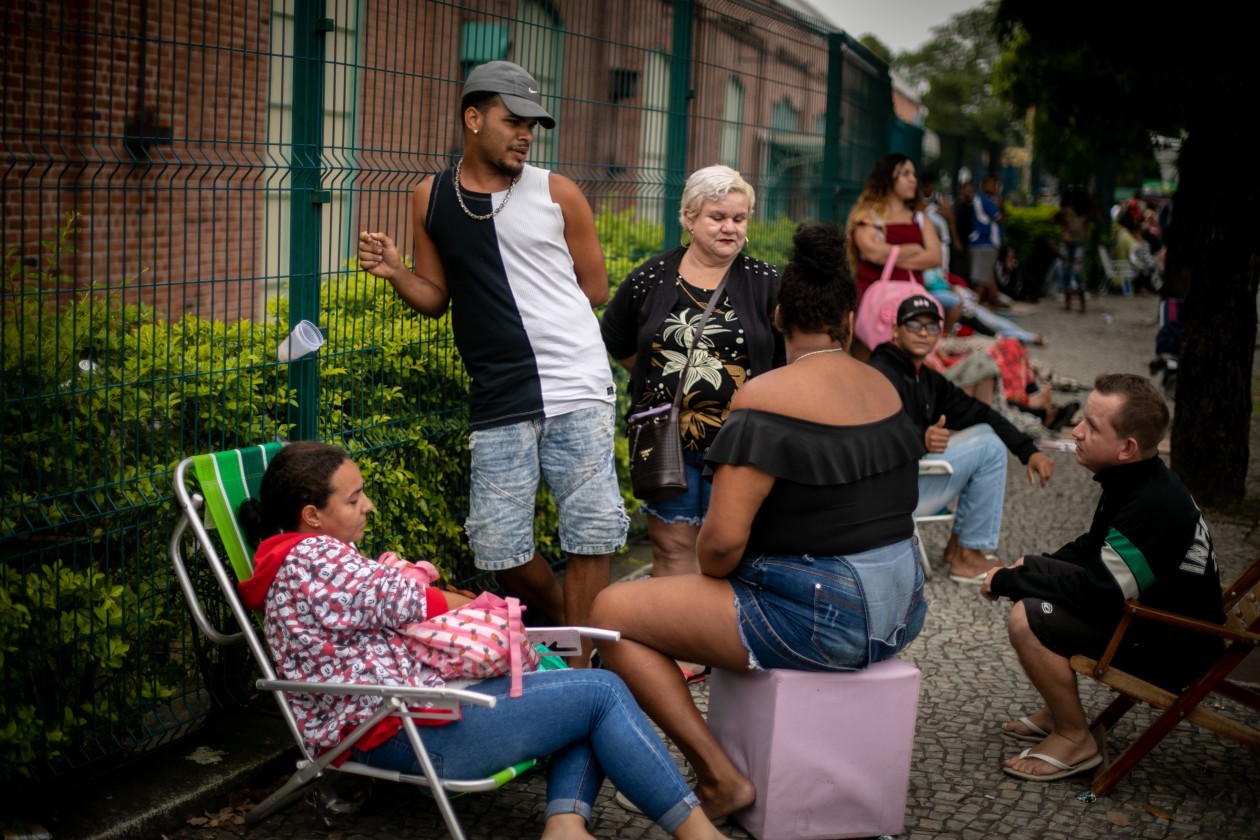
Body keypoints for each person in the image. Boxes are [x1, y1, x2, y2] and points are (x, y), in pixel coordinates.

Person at [591, 223, 927, 821]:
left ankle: (719, 779)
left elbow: (717, 553)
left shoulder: (765, 398)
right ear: (849, 322)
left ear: (776, 318)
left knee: (611, 613)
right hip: (903, 607)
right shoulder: (888, 385)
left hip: (829, 617)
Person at [235, 442, 725, 840]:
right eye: (353, 498)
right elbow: (420, 601)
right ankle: (700, 835)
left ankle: (565, 826)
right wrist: (465, 602)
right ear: (311, 515)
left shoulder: (299, 560)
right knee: (602, 692)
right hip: (408, 730)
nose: (368, 505)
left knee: (584, 695)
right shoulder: (315, 557)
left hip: (414, 713)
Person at [356, 61, 626, 662]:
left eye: (531, 124)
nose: (525, 134)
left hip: (576, 381)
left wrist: (539, 319)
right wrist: (397, 272)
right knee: (497, 547)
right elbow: (435, 297)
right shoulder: (430, 195)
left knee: (591, 529)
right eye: (512, 121)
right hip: (499, 390)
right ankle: (572, 629)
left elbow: (597, 288)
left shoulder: (558, 193)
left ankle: (581, 669)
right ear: (472, 118)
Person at [982, 374, 1224, 782]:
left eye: (1092, 427)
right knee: (1030, 569)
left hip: (1172, 646)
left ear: (1126, 448)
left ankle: (1075, 737)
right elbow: (1093, 548)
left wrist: (1012, 584)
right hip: (1147, 616)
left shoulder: (1151, 504)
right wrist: (1024, 570)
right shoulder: (1137, 478)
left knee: (1026, 618)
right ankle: (1062, 706)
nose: (1076, 431)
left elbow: (1099, 594)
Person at [600, 165, 782, 582]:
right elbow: (617, 337)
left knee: (731, 548)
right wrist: (661, 377)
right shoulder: (651, 277)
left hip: (741, 444)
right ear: (689, 217)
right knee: (671, 547)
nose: (729, 228)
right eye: (717, 217)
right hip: (666, 439)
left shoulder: (766, 282)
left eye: (739, 218)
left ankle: (713, 641)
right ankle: (675, 642)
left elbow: (785, 360)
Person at [866, 295, 1056, 583]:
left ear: (939, 334)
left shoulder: (926, 378)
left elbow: (980, 412)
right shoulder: (882, 370)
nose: (922, 332)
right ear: (895, 330)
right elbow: (873, 434)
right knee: (989, 448)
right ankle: (967, 557)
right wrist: (920, 439)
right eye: (914, 324)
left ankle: (960, 550)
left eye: (931, 327)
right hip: (889, 493)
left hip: (912, 479)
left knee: (984, 432)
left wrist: (1028, 451)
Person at [967, 174, 1006, 308]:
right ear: (983, 185)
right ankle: (973, 308)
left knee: (986, 274)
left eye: (995, 184)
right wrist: (1000, 206)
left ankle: (993, 298)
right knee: (980, 279)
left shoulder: (985, 199)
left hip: (986, 243)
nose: (994, 187)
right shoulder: (984, 200)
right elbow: (999, 217)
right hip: (983, 242)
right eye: (991, 184)